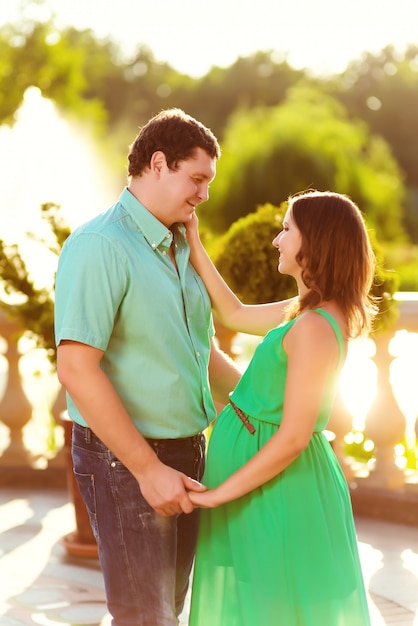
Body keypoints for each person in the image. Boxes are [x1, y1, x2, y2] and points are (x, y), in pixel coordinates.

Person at [54, 108, 242, 626]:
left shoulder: (180, 243)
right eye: (197, 178)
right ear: (158, 163)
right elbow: (75, 368)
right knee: (144, 617)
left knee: (167, 612)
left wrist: (262, 404)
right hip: (127, 464)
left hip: (186, 452)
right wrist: (147, 469)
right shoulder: (100, 246)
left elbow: (197, 351)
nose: (204, 194)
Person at [185, 190, 375, 626]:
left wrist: (217, 494)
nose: (276, 240)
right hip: (263, 490)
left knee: (273, 611)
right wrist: (194, 240)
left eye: (287, 229)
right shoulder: (304, 312)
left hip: (278, 493)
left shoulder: (314, 327)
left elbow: (292, 437)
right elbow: (232, 314)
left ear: (316, 242)